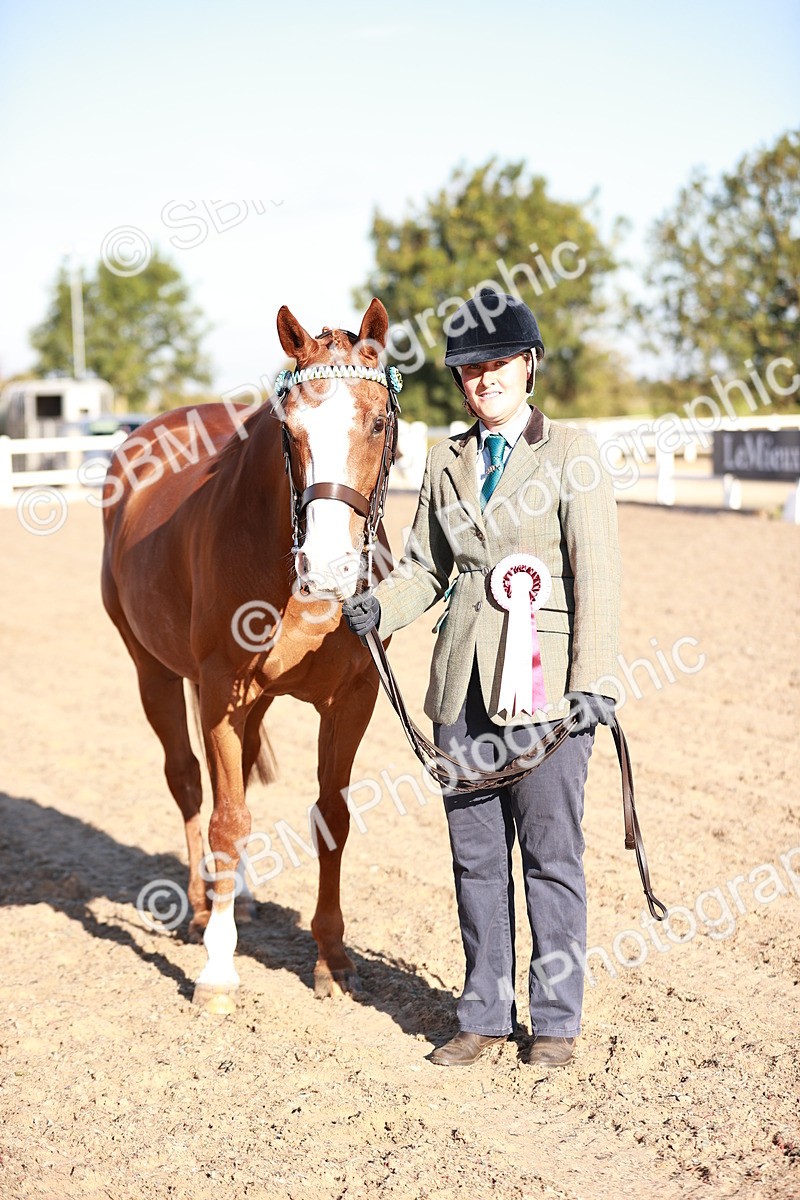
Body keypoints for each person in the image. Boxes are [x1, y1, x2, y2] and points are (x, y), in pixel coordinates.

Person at [342, 289, 621, 1068]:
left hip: (549, 691)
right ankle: (484, 1016)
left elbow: (596, 570)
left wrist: (595, 677)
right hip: (461, 689)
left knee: (551, 855)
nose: (483, 378)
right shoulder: (444, 460)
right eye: (470, 369)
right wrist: (379, 606)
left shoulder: (572, 453)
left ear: (528, 366)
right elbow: (428, 569)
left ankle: (557, 1023)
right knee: (474, 858)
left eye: (497, 363)